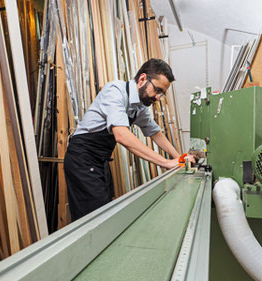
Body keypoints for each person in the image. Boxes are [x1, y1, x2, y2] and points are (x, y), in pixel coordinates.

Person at [64, 58, 195, 221]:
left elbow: (155, 133)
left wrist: (179, 158)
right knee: (93, 220)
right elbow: (121, 135)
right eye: (157, 90)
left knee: (104, 211)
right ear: (142, 79)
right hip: (82, 159)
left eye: (162, 93)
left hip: (99, 160)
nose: (158, 97)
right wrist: (166, 163)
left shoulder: (140, 106)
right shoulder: (115, 91)